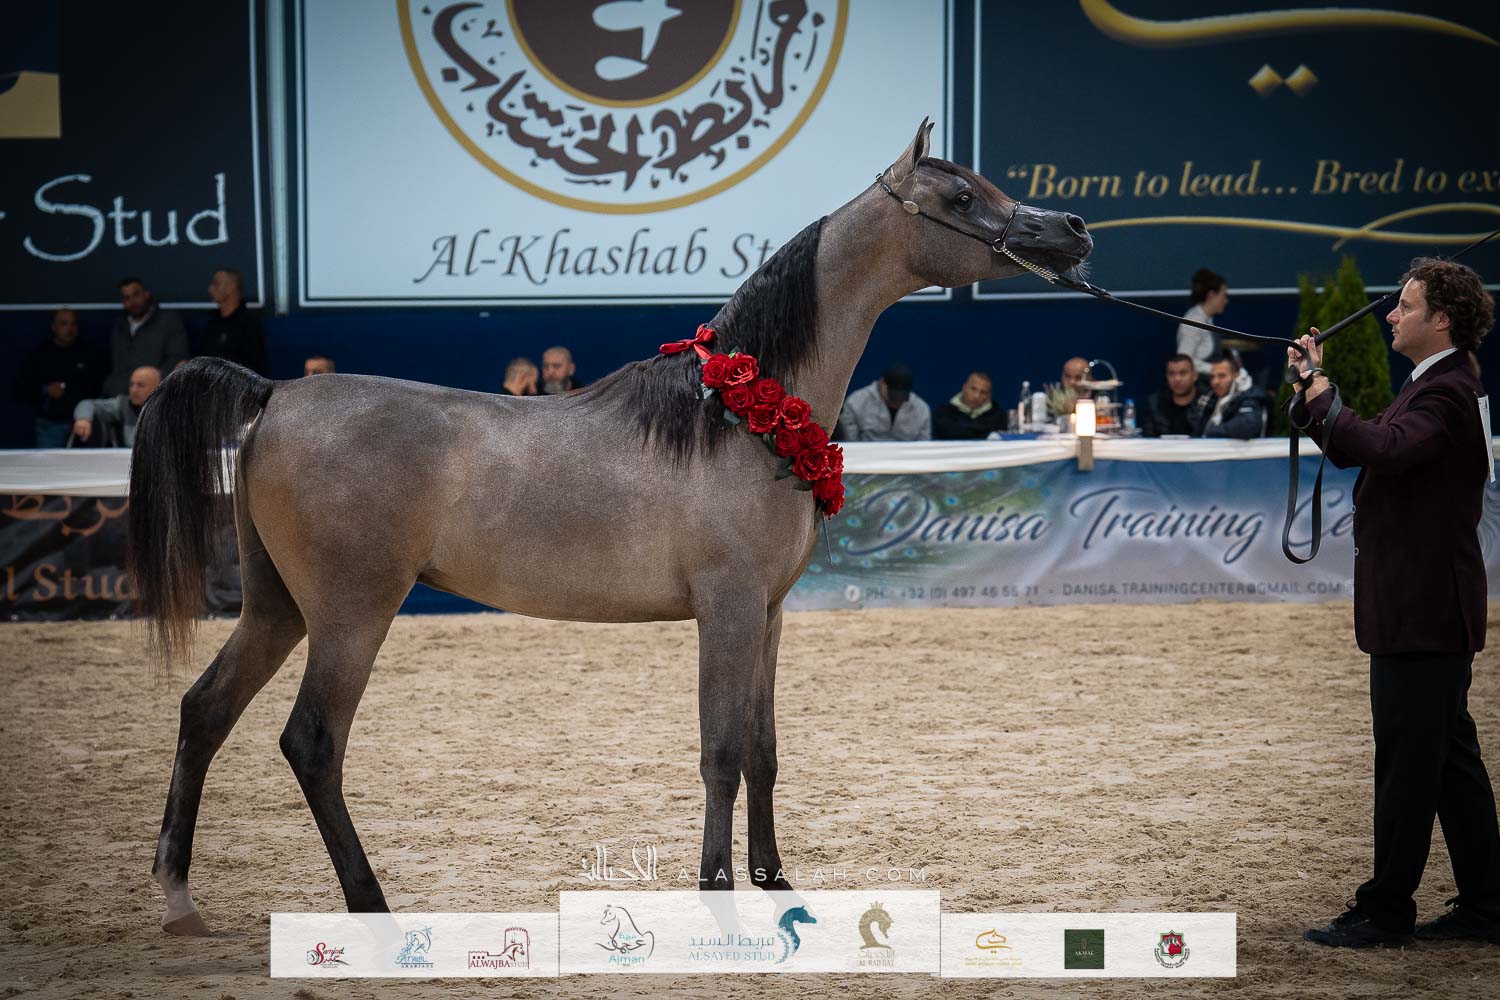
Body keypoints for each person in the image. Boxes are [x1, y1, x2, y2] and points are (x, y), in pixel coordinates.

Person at [1293, 258, 1500, 948]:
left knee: (1408, 768)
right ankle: (1487, 906)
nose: (1391, 314)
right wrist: (1313, 391)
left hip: (1423, 610)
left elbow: (1382, 447)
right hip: (1427, 607)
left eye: (1405, 306)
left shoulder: (1446, 391)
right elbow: (1361, 449)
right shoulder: (1436, 383)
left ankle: (1386, 911)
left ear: (1441, 319)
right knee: (1450, 764)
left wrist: (1325, 393)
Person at [15, 308, 104, 448]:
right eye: (64, 324)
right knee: (50, 462)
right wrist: (46, 390)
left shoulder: (90, 353)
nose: (69, 329)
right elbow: (23, 387)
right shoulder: (41, 354)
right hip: (51, 425)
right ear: (54, 327)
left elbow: (99, 387)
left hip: (82, 424)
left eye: (73, 324)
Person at [105, 276, 187, 395]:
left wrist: (155, 385)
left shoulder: (168, 321)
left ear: (146, 294)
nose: (132, 301)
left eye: (136, 294)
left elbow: (177, 358)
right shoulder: (119, 326)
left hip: (157, 393)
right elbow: (115, 366)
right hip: (121, 394)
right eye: (127, 298)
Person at [197, 268, 268, 373]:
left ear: (232, 287)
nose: (210, 289)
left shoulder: (249, 323)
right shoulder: (211, 322)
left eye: (216, 284)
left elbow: (257, 369)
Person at [837, 363, 931, 441]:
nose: (897, 402)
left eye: (902, 397)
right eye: (893, 396)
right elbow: (850, 443)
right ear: (882, 383)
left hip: (907, 458)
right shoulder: (856, 402)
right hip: (865, 456)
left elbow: (922, 447)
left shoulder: (921, 409)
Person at [71, 365, 161, 447]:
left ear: (157, 388)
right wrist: (83, 418)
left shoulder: (166, 410)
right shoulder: (123, 404)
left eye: (140, 385)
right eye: (131, 384)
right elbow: (88, 403)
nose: (133, 390)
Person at [1141, 354, 1210, 437]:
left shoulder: (1209, 401)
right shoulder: (1155, 403)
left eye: (1183, 373)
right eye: (1171, 374)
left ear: (1195, 376)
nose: (1177, 379)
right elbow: (1148, 439)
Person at [1200, 352, 1265, 439]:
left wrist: (1210, 432)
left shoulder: (1250, 396)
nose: (1215, 382)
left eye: (1222, 376)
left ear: (1236, 376)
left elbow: (1247, 426)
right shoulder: (1211, 397)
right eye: (1212, 377)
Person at [1178, 269, 1229, 376]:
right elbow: (1184, 360)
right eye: (1223, 295)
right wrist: (1214, 369)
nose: (1226, 301)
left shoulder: (1207, 318)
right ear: (1211, 295)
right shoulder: (1193, 321)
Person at [933, 371, 1007, 439]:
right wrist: (983, 431)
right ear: (964, 387)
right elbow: (949, 433)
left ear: (989, 396)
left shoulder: (999, 416)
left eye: (983, 392)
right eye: (973, 389)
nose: (976, 396)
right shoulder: (943, 412)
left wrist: (962, 428)